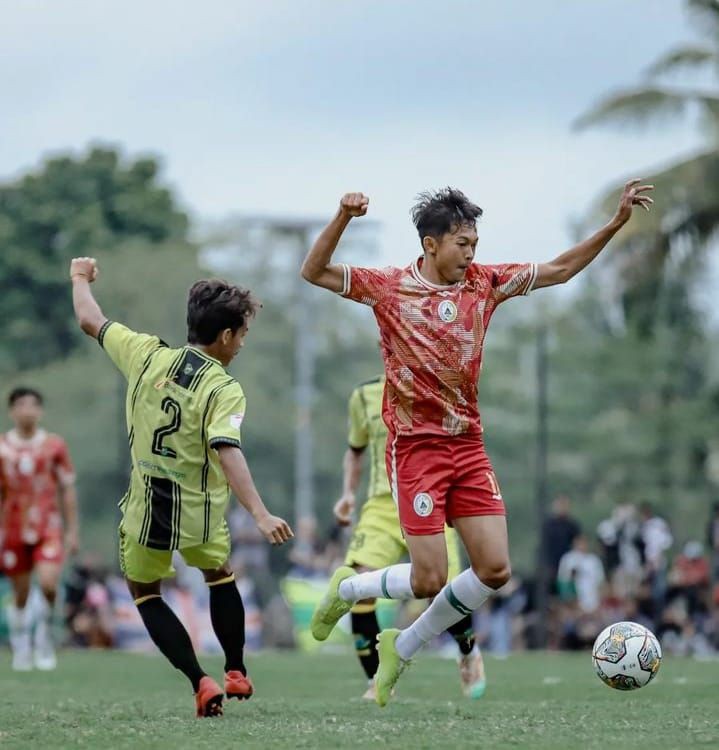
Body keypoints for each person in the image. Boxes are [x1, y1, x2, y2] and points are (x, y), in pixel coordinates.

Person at [302, 179, 653, 706]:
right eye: (462, 243)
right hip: (416, 451)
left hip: (467, 446)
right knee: (428, 579)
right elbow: (314, 271)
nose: (472, 253)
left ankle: (405, 646)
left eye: (475, 243)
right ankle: (347, 588)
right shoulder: (389, 288)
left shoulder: (484, 284)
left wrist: (615, 224)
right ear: (431, 244)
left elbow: (559, 270)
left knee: (494, 570)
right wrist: (343, 218)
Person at [69, 257, 293, 717]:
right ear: (227, 336)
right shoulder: (223, 388)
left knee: (145, 591)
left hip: (145, 507)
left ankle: (200, 681)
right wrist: (260, 513)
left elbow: (90, 318)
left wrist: (79, 277)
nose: (243, 343)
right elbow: (227, 448)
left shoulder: (145, 353)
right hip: (200, 511)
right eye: (244, 333)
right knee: (219, 574)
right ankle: (234, 668)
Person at [334, 373, 485, 700]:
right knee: (358, 586)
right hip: (382, 505)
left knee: (444, 588)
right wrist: (347, 493)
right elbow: (355, 450)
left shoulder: (436, 386)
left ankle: (468, 652)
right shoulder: (363, 395)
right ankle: (377, 679)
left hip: (429, 498)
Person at [0, 387, 80, 671]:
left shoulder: (54, 446)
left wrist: (72, 531)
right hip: (12, 529)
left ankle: (44, 637)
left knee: (48, 584)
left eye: (33, 405)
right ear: (12, 411)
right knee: (20, 594)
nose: (27, 411)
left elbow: (67, 489)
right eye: (21, 405)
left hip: (48, 527)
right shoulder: (2, 448)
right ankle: (21, 643)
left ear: (40, 410)